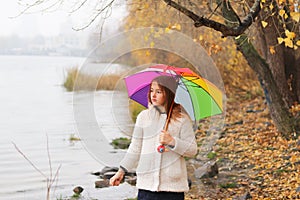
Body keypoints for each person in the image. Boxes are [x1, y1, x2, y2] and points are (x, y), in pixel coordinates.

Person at [109, 75, 197, 200]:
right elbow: (135, 148)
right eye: (151, 90)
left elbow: (192, 150)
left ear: (169, 93)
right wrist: (121, 171)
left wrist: (172, 142)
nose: (153, 95)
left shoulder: (182, 119)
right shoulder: (143, 117)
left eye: (158, 91)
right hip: (146, 186)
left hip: (172, 188)